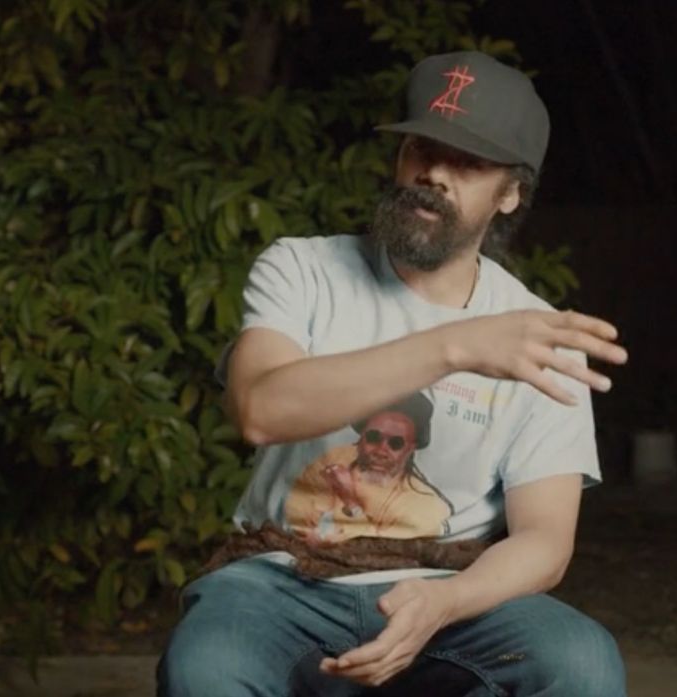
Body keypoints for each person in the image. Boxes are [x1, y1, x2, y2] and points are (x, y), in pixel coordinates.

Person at [158, 49, 630, 696]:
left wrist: (447, 601)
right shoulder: (302, 270)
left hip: (450, 596)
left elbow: (546, 540)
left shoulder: (538, 336)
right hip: (281, 581)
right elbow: (259, 410)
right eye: (420, 149)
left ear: (512, 192)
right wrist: (453, 346)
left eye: (467, 162)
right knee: (205, 666)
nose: (434, 172)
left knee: (583, 660)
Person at [284, 393, 452, 543]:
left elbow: (384, 552)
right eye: (373, 438)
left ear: (410, 449)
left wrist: (350, 501)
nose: (381, 451)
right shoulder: (335, 459)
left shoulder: (425, 503)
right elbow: (296, 514)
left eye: (395, 443)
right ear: (361, 437)